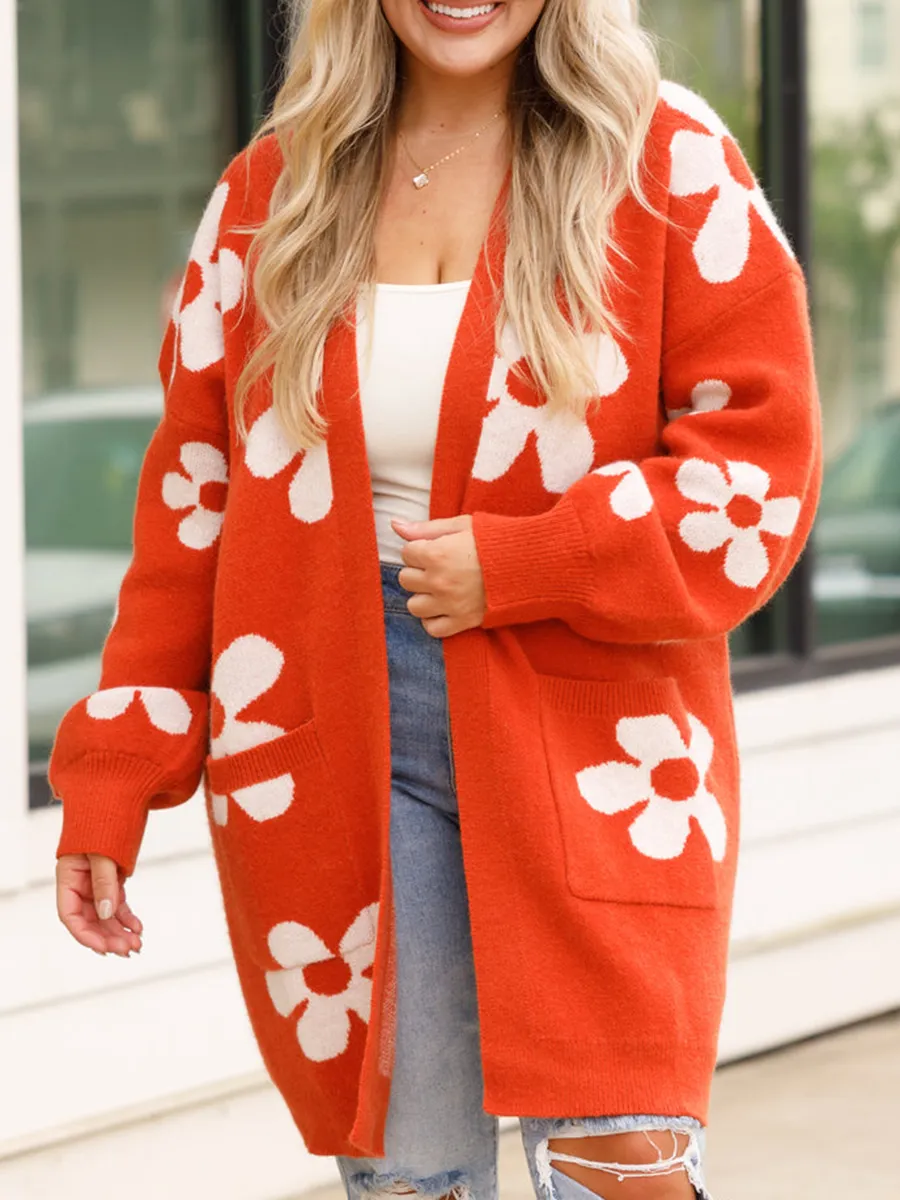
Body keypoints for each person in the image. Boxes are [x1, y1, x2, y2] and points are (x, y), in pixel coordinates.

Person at [49, 2, 822, 1198]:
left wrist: (530, 560)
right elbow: (193, 509)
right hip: (332, 723)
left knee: (618, 1165)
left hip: (593, 740)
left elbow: (758, 481)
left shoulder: (665, 160)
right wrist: (115, 771)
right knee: (410, 1179)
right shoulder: (272, 191)